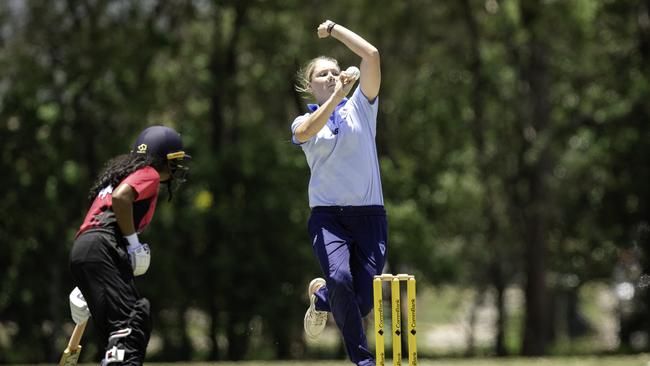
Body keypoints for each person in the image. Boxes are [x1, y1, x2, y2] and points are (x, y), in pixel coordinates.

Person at [291, 20, 386, 366]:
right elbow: (306, 132)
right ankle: (363, 361)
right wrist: (336, 96)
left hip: (370, 215)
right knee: (342, 278)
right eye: (323, 74)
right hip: (329, 219)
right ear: (308, 86)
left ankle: (320, 297)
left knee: (359, 302)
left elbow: (371, 55)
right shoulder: (305, 121)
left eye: (335, 71)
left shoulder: (362, 107)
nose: (332, 76)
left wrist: (333, 29)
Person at [67, 125, 190, 366]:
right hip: (102, 247)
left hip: (86, 248)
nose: (176, 167)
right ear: (161, 158)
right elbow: (122, 198)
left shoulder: (114, 179)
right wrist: (134, 245)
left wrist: (85, 285)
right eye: (173, 160)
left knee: (117, 333)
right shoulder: (149, 172)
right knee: (132, 323)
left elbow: (92, 228)